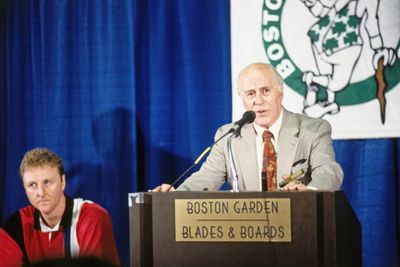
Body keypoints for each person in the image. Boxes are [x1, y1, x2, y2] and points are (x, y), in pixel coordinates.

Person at [153, 62, 343, 192]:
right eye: (250, 94)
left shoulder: (314, 130)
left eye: (265, 91)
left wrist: (308, 192)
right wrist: (175, 193)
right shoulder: (228, 136)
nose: (258, 101)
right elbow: (206, 178)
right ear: (242, 98)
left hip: (300, 226)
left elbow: (328, 171)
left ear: (280, 93)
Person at [0, 148, 121, 266]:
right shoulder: (16, 226)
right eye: (32, 185)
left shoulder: (92, 217)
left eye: (47, 182)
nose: (41, 193)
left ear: (63, 182)